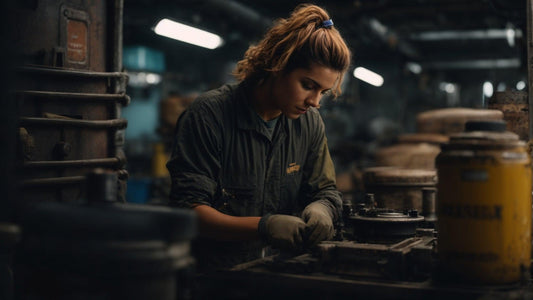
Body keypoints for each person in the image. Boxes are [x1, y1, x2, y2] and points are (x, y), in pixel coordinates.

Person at [166, 3, 351, 271]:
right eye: (308, 85)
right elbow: (190, 212)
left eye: (323, 91)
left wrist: (323, 208)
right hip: (217, 278)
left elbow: (325, 190)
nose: (315, 102)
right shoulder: (210, 115)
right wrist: (263, 226)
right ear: (278, 65)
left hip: (280, 272)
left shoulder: (309, 124)